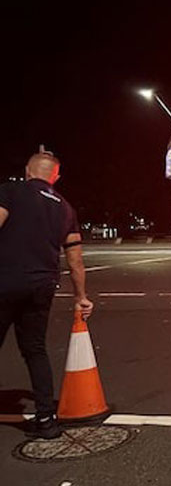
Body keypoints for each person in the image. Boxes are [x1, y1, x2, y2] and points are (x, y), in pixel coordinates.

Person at [0, 152, 93, 439]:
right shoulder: (66, 209)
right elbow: (75, 260)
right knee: (35, 350)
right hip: (42, 285)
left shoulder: (11, 191)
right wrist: (81, 297)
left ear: (28, 171)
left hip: (5, 280)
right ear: (56, 177)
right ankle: (46, 419)